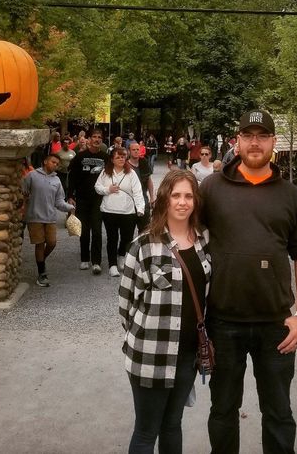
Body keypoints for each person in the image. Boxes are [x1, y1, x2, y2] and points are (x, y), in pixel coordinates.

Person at [200, 109, 297, 454]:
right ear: (236, 141)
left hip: (275, 325)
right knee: (223, 410)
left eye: (262, 136)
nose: (255, 143)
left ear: (273, 142)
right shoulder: (212, 188)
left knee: (279, 412)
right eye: (248, 135)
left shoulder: (291, 195)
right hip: (223, 322)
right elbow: (186, 235)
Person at [119, 169, 211, 454]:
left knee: (172, 425)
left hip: (187, 356)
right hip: (151, 354)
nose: (182, 202)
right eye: (176, 195)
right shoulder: (144, 245)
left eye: (188, 196)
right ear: (164, 199)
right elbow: (126, 304)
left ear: (196, 200)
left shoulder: (203, 241)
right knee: (146, 431)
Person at [22, 153, 75, 287]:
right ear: (45, 161)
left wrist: (70, 207)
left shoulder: (56, 180)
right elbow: (23, 190)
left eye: (57, 164)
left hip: (50, 217)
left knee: (52, 243)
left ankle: (40, 261)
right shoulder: (32, 176)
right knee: (40, 244)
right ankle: (42, 273)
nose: (55, 165)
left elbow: (59, 201)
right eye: (53, 162)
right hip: (34, 216)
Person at [95, 146, 145, 277]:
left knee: (127, 238)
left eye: (123, 156)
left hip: (128, 211)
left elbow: (138, 192)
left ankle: (121, 256)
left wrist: (140, 208)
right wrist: (108, 189)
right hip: (109, 210)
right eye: (118, 157)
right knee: (112, 238)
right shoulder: (105, 172)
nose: (121, 159)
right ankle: (112, 265)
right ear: (112, 159)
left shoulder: (131, 173)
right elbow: (97, 187)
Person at [67, 129, 107, 275]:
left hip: (98, 199)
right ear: (89, 139)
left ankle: (96, 262)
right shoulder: (80, 157)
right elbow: (72, 177)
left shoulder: (105, 157)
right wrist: (70, 196)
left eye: (99, 137)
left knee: (97, 230)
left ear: (102, 140)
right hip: (82, 198)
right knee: (84, 230)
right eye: (94, 137)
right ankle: (84, 258)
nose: (97, 139)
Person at [128, 141, 156, 235]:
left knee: (144, 230)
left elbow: (149, 180)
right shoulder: (125, 165)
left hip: (143, 199)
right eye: (133, 150)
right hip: (129, 201)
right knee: (128, 232)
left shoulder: (143, 162)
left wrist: (152, 197)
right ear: (129, 151)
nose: (136, 151)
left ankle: (143, 245)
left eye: (137, 149)